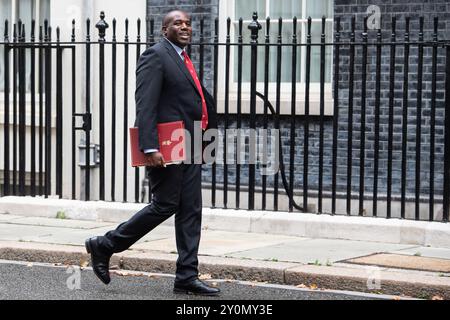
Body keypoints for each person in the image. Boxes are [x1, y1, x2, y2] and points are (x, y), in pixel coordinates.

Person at [85, 9, 219, 296]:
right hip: (168, 146)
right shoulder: (156, 55)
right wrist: (150, 146)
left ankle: (186, 276)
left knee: (191, 210)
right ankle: (105, 245)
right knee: (165, 205)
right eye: (177, 23)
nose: (184, 27)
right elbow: (145, 103)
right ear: (164, 30)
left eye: (187, 23)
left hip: (192, 143)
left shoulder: (183, 58)